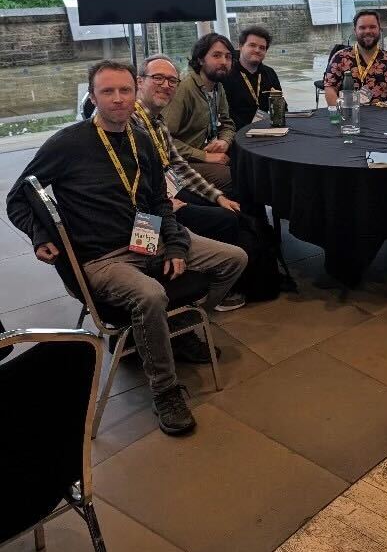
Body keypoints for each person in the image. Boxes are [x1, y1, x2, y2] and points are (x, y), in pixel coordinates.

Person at [6, 60, 247, 435]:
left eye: (124, 91)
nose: (118, 99)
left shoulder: (143, 140)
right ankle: (164, 389)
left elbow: (158, 202)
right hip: (102, 257)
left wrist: (177, 247)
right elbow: (17, 198)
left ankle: (176, 328)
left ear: (135, 92)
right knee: (150, 295)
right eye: (107, 92)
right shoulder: (68, 144)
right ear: (93, 96)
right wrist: (40, 236)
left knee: (234, 259)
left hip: (147, 235)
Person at [134, 54, 246, 311]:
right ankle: (190, 294)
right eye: (157, 78)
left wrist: (217, 196)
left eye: (172, 80)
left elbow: (178, 167)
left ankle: (197, 286)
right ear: (140, 82)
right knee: (225, 220)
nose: (166, 85)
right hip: (148, 212)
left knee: (227, 206)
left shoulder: (157, 122)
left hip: (162, 197)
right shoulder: (127, 126)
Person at [163, 33, 237, 193]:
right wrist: (204, 156)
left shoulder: (218, 87)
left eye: (228, 57)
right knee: (233, 176)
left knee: (247, 165)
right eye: (216, 55)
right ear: (201, 59)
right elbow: (163, 139)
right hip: (180, 161)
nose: (224, 62)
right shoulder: (184, 88)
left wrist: (224, 141)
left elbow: (228, 124)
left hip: (206, 152)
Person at [323, 10, 387, 104]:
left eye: (372, 27)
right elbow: (330, 90)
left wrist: (386, 109)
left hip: (383, 115)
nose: (368, 31)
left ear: (380, 29)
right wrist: (343, 112)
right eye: (362, 28)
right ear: (355, 31)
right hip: (348, 115)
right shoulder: (340, 58)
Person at [223, 24, 283, 129]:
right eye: (252, 45)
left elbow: (281, 105)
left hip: (266, 129)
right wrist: (249, 128)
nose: (257, 50)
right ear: (240, 46)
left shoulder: (269, 73)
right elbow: (225, 113)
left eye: (262, 48)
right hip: (236, 133)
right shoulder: (227, 74)